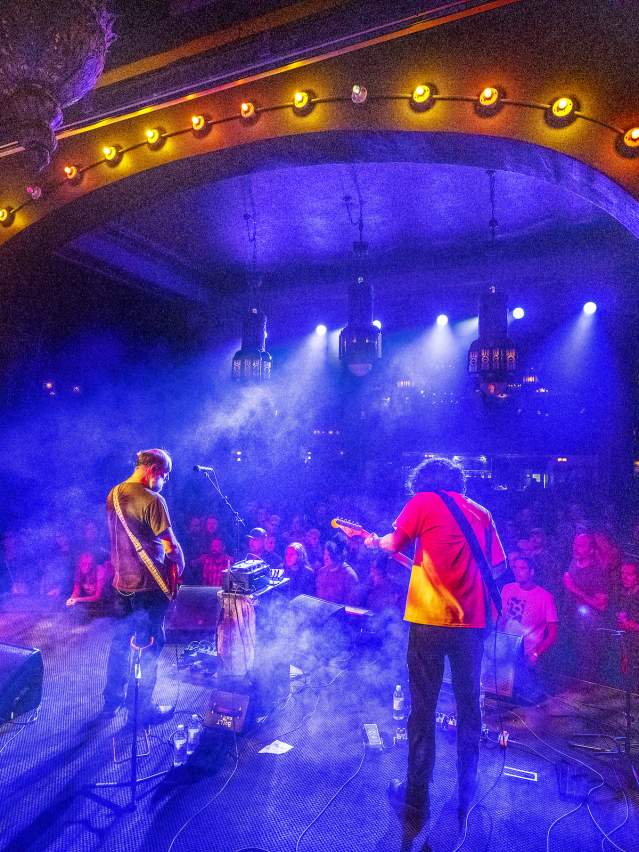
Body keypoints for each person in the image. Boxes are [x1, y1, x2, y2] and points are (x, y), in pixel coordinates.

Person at [365, 456, 506, 826]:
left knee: (423, 708)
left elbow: (393, 543)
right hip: (472, 624)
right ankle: (467, 788)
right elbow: (498, 566)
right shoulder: (481, 512)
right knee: (469, 704)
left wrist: (373, 540)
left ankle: (416, 794)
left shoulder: (424, 501)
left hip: (430, 621)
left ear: (423, 480)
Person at [102, 448, 184, 724]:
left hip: (121, 584)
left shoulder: (114, 493)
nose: (165, 481)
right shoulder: (153, 499)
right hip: (148, 587)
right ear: (153, 470)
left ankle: (111, 702)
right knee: (149, 645)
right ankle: (140, 709)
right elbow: (171, 547)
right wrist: (181, 565)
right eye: (165, 475)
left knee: (120, 643)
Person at [499, 556, 558, 701]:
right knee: (502, 695)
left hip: (527, 655)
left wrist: (537, 653)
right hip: (505, 652)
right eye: (515, 568)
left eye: (522, 568)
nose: (517, 572)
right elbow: (501, 618)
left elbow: (552, 633)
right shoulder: (507, 588)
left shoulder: (545, 597)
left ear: (532, 571)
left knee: (524, 698)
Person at [315, 537, 359, 605]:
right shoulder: (322, 572)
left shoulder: (349, 576)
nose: (326, 558)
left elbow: (351, 605)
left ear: (339, 556)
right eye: (325, 554)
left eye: (329, 555)